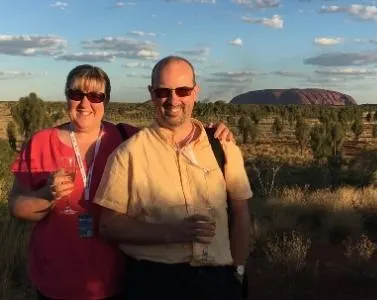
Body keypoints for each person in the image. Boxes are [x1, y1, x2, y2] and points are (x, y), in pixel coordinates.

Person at [8, 64, 234, 300]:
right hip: (54, 281)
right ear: (67, 96)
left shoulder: (127, 138)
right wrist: (46, 195)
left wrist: (211, 132)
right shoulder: (41, 143)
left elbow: (176, 135)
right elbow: (17, 207)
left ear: (106, 101)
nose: (85, 104)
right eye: (77, 94)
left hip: (116, 280)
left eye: (96, 96)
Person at [94, 56, 253, 300]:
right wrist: (172, 233)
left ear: (195, 92)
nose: (173, 100)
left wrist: (238, 271)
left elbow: (241, 211)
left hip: (218, 281)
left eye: (183, 90)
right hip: (155, 282)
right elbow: (108, 225)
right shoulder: (129, 154)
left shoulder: (222, 146)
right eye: (163, 92)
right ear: (151, 93)